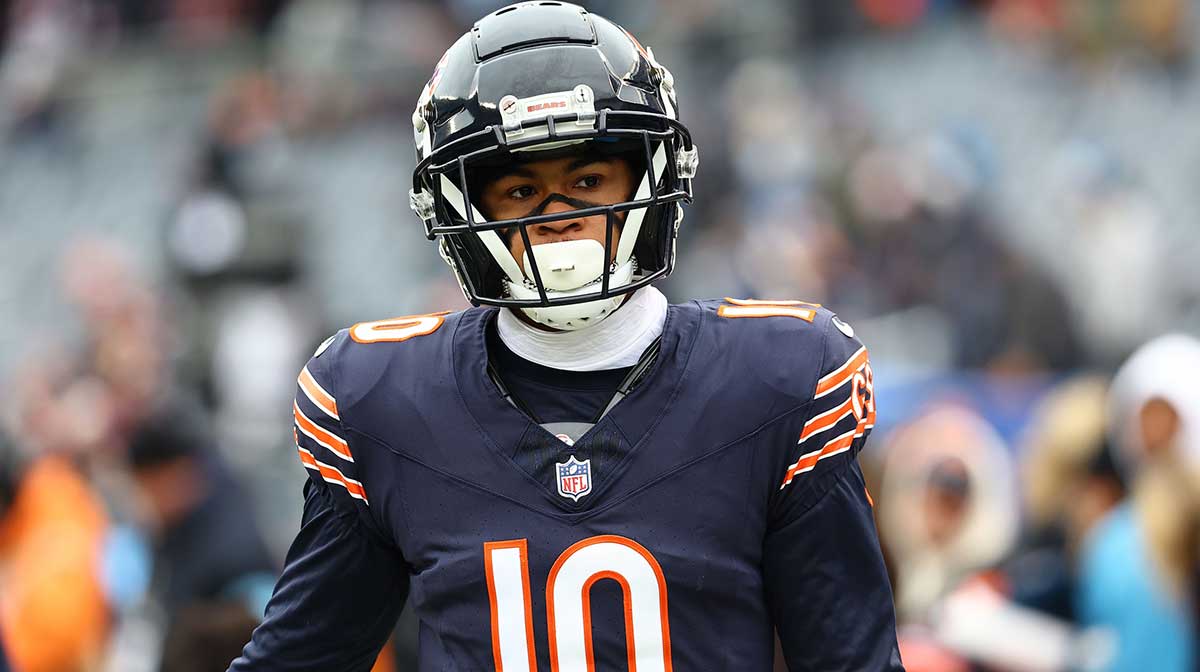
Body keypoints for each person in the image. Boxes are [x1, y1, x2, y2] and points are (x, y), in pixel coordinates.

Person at [231, 3, 902, 670]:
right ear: (459, 208)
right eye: (520, 190)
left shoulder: (779, 382)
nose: (557, 217)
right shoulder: (384, 403)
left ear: (653, 176)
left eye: (586, 180)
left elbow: (850, 660)